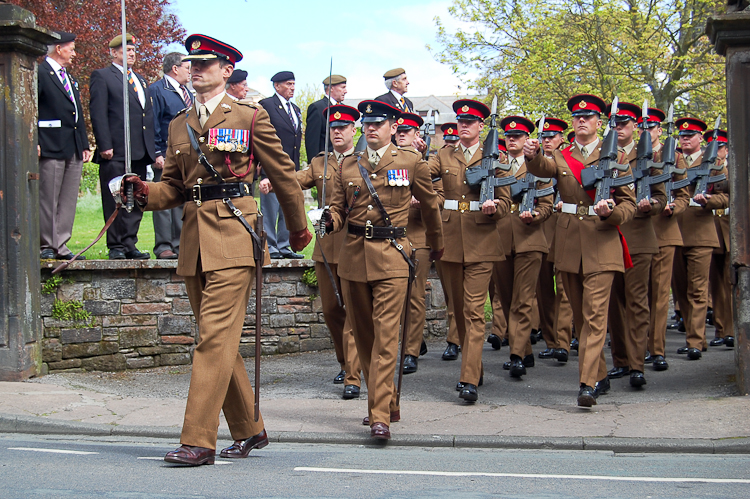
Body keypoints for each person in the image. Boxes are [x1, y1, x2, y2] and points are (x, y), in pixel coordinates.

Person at [122, 34, 312, 466]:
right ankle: (250, 427)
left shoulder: (249, 115)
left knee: (211, 341)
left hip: (235, 234)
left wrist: (298, 229)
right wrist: (142, 191)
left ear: (227, 70)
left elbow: (283, 174)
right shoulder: (178, 124)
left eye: (207, 63)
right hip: (195, 242)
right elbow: (172, 187)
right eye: (193, 63)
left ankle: (198, 441)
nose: (197, 68)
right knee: (220, 341)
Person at [323, 100, 443, 440]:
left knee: (387, 336)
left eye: (380, 124)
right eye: (368, 124)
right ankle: (388, 400)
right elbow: (337, 207)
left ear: (394, 127)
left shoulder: (410, 161)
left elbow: (430, 204)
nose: (372, 129)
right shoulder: (349, 164)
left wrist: (436, 243)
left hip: (392, 255)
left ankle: (379, 417)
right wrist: (329, 220)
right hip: (353, 257)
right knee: (364, 337)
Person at [523, 94, 637, 407]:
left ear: (600, 122)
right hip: (570, 244)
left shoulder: (615, 155)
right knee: (582, 321)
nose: (581, 121)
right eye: (577, 117)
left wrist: (610, 213)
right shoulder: (562, 155)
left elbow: (628, 204)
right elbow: (542, 168)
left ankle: (586, 384)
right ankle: (599, 375)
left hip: (602, 242)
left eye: (587, 117)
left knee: (595, 316)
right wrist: (531, 155)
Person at [430, 99, 511, 403]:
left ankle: (468, 380)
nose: (463, 126)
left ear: (481, 126)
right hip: (450, 240)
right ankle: (473, 366)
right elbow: (424, 173)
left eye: (470, 122)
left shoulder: (495, 156)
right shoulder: (444, 154)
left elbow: (506, 202)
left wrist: (495, 208)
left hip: (481, 240)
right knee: (459, 312)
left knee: (474, 311)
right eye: (460, 121)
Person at [296, 104, 362, 399]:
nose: (337, 132)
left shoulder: (363, 162)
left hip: (354, 246)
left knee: (353, 312)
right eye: (333, 128)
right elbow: (298, 178)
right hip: (325, 247)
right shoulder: (319, 162)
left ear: (353, 130)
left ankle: (353, 374)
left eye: (343, 128)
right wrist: (275, 180)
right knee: (331, 310)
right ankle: (344, 362)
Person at [604, 102, 666, 389]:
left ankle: (638, 364)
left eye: (624, 123)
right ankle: (621, 360)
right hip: (609, 234)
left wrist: (650, 205)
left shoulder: (649, 156)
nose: (619, 127)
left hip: (639, 236)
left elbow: (662, 197)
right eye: (614, 122)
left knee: (637, 300)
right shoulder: (603, 153)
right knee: (615, 302)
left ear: (635, 126)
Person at [491, 116, 553, 378]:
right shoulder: (496, 164)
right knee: (505, 299)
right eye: (509, 135)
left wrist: (536, 216)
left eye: (518, 135)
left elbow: (547, 204)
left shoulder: (538, 165)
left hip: (530, 238)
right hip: (501, 238)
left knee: (523, 299)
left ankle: (516, 355)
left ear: (528, 139)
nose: (512, 139)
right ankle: (525, 351)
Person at [89, 33, 155, 260]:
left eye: (133, 50)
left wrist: (152, 149)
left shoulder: (140, 80)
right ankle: (115, 245)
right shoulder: (103, 76)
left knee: (136, 197)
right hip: (116, 150)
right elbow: (98, 113)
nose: (132, 53)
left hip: (139, 150)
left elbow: (147, 116)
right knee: (116, 196)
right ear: (114, 53)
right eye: (127, 50)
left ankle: (130, 243)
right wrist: (104, 144)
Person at [671, 117, 728, 360]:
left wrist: (710, 201)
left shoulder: (714, 163)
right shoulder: (670, 161)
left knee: (698, 289)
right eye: (682, 136)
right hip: (674, 230)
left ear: (700, 139)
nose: (685, 139)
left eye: (690, 135)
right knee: (681, 289)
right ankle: (695, 337)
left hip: (702, 232)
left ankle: (695, 340)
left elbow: (726, 195)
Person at [394, 112, 443, 374]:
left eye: (408, 131)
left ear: (417, 135)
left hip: (419, 235)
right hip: (392, 236)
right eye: (399, 130)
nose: (402, 134)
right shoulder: (385, 160)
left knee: (413, 295)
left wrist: (425, 199)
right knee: (396, 295)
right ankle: (415, 339)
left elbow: (442, 197)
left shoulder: (427, 163)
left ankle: (410, 351)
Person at [38, 30, 91, 260]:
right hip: (50, 144)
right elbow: (33, 109)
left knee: (68, 197)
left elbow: (76, 114)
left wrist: (84, 144)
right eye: (71, 49)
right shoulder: (40, 72)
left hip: (73, 145)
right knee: (48, 196)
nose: (74, 54)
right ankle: (47, 244)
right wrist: (35, 142)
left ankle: (61, 244)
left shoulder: (69, 77)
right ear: (59, 48)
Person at [645, 107, 687, 371]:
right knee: (636, 295)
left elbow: (683, 195)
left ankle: (656, 349)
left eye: (651, 128)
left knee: (660, 296)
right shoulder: (631, 156)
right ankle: (633, 349)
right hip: (637, 231)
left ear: (660, 130)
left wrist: (673, 208)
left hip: (663, 232)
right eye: (642, 128)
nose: (645, 132)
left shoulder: (674, 157)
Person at [533, 116, 573, 363]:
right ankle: (550, 339)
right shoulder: (535, 163)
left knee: (566, 287)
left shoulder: (569, 160)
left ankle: (563, 340)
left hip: (565, 228)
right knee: (544, 288)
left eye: (552, 137)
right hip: (541, 227)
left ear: (561, 139)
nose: (547, 141)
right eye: (544, 137)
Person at [148, 52, 192, 260]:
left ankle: (180, 244)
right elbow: (153, 124)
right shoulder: (157, 90)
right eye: (187, 67)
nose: (190, 71)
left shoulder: (188, 94)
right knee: (164, 199)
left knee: (182, 199)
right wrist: (156, 153)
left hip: (187, 157)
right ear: (175, 68)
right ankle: (164, 245)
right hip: (165, 156)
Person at [258, 71, 304, 259]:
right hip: (271, 166)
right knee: (270, 208)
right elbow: (260, 136)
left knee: (288, 207)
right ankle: (271, 246)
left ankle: (284, 246)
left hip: (290, 167)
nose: (292, 87)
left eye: (293, 84)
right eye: (288, 84)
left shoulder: (295, 109)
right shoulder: (266, 106)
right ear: (277, 86)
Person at [706, 129, 734, 349]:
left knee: (732, 282)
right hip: (714, 228)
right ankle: (721, 329)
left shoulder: (733, 168)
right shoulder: (710, 168)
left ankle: (734, 329)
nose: (716, 152)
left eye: (720, 148)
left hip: (732, 229)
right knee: (716, 284)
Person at [305, 75, 347, 158]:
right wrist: (314, 166)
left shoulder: (344, 109)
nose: (345, 91)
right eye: (342, 88)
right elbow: (312, 142)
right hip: (325, 163)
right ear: (331, 88)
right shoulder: (317, 108)